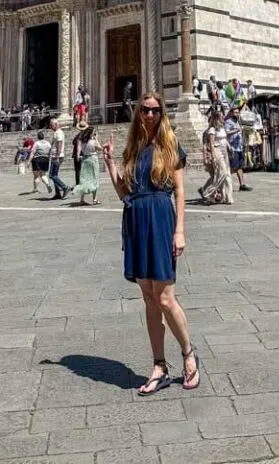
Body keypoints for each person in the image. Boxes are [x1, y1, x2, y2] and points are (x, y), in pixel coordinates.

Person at [103, 91, 200, 395]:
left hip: (160, 220)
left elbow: (181, 192)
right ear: (138, 113)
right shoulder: (133, 148)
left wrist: (180, 231)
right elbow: (124, 193)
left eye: (155, 110)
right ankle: (159, 365)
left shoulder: (169, 145)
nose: (149, 115)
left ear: (162, 114)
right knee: (148, 297)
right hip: (135, 221)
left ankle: (188, 354)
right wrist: (109, 163)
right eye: (145, 110)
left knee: (166, 297)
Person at [201, 109, 234, 205]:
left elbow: (225, 139)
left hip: (225, 151)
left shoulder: (222, 128)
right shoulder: (212, 130)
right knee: (222, 173)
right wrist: (213, 156)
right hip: (217, 151)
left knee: (227, 174)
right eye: (221, 117)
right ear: (216, 119)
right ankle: (208, 193)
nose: (223, 118)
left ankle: (227, 197)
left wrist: (229, 147)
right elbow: (211, 144)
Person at [224, 107, 252, 192]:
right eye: (235, 113)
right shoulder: (228, 122)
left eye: (238, 112)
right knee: (232, 168)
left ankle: (242, 184)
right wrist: (236, 130)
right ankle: (222, 184)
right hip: (233, 148)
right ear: (231, 113)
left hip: (239, 147)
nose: (237, 114)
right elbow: (226, 133)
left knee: (239, 167)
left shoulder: (238, 122)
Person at [74, 125, 102, 206]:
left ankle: (82, 199)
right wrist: (96, 139)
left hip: (85, 159)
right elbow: (100, 148)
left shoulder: (82, 141)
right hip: (93, 159)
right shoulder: (92, 142)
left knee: (84, 178)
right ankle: (94, 199)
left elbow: (78, 148)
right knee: (95, 178)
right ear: (91, 134)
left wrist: (78, 155)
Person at [49, 119, 71, 200]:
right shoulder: (56, 133)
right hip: (56, 155)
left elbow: (59, 145)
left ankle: (65, 187)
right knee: (55, 175)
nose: (50, 127)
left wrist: (57, 157)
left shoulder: (59, 133)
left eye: (51, 125)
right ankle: (57, 193)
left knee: (52, 175)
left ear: (56, 124)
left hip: (57, 156)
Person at [29, 130, 53, 194]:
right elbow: (51, 151)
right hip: (45, 159)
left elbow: (33, 152)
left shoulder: (36, 143)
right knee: (43, 175)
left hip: (37, 159)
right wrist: (49, 158)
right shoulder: (48, 143)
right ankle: (47, 184)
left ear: (38, 137)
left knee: (36, 176)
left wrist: (29, 161)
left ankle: (36, 189)